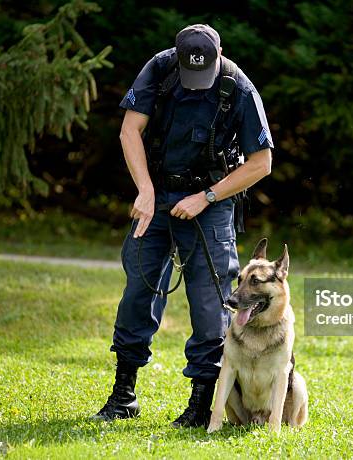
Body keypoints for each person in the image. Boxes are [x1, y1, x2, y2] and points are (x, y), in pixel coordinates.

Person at [92, 24, 273, 427]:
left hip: (209, 201)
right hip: (155, 194)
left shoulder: (239, 88)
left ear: (220, 53)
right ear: (175, 55)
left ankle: (200, 404)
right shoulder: (159, 69)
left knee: (211, 302)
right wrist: (144, 190)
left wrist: (206, 197)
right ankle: (124, 394)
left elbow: (261, 163)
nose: (196, 84)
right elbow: (130, 130)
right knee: (138, 288)